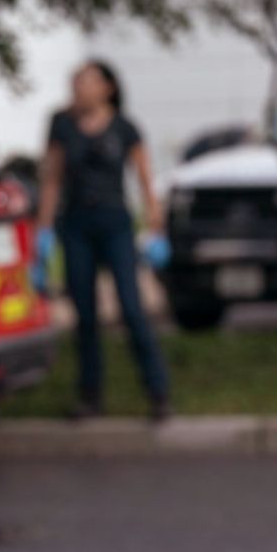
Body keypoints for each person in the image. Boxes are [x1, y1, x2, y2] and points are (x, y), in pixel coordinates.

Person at [35, 60, 171, 422]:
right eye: (75, 81)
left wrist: (156, 226)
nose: (78, 88)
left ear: (107, 88)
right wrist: (43, 231)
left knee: (131, 308)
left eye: (86, 82)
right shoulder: (61, 124)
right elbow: (52, 179)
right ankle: (89, 396)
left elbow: (144, 180)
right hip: (76, 224)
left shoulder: (125, 127)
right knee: (85, 315)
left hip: (115, 223)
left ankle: (158, 392)